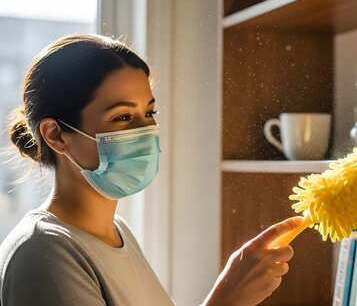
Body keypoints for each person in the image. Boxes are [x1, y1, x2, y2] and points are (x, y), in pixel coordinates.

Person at [0, 34, 302, 305]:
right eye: (122, 117)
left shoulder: (118, 233)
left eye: (149, 112)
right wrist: (226, 300)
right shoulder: (43, 253)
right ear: (56, 135)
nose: (147, 131)